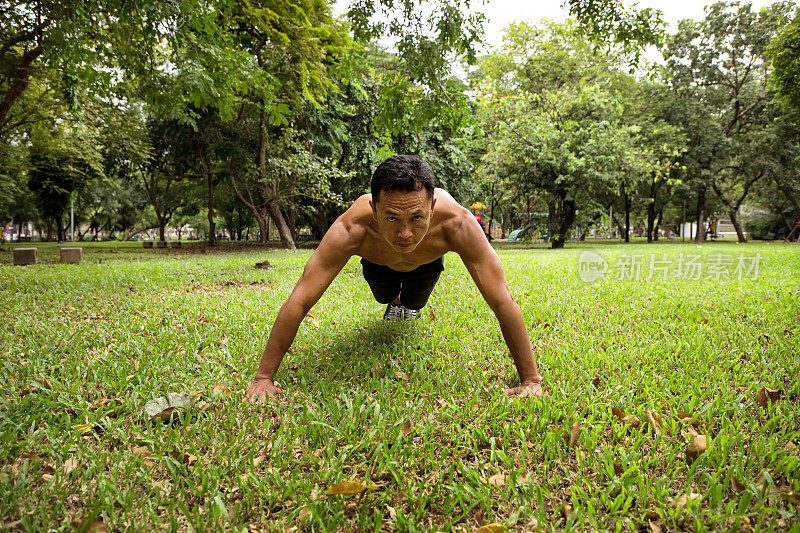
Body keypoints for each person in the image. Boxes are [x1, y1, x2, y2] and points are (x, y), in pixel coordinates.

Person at [245, 155, 544, 401]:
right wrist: (263, 377)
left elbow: (501, 299)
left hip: (425, 266)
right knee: (385, 296)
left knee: (414, 303)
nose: (405, 233)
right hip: (379, 266)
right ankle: (393, 301)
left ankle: (404, 303)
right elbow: (301, 299)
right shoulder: (352, 228)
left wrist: (530, 379)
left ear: (433, 207)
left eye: (417, 218)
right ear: (374, 210)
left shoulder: (458, 223)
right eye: (391, 218)